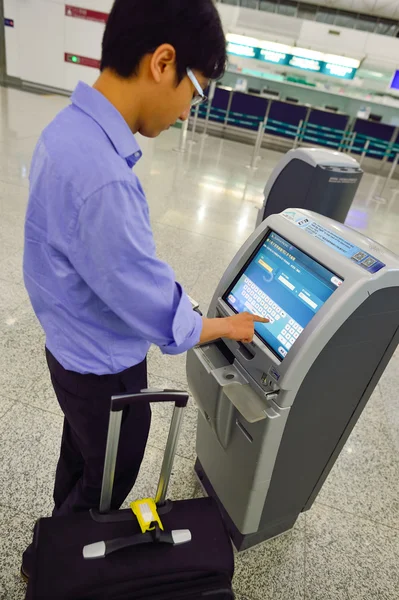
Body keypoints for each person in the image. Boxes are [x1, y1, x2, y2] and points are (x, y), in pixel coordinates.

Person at [21, 0, 267, 582]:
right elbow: (152, 304)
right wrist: (224, 326)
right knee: (106, 487)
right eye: (196, 92)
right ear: (163, 62)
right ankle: (65, 575)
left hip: (67, 352)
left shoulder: (67, 130)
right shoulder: (104, 176)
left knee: (79, 460)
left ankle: (46, 552)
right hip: (106, 375)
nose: (188, 111)